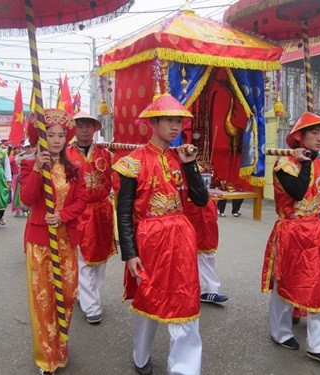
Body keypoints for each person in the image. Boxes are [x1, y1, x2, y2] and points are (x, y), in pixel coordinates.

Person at [113, 93, 209, 375]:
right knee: (149, 298)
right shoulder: (134, 161)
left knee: (186, 298)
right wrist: (129, 253)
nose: (176, 126)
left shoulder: (182, 157)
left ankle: (184, 369)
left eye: (179, 120)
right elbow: (125, 211)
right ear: (153, 123)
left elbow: (201, 200)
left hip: (181, 237)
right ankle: (140, 356)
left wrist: (190, 164)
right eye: (169, 119)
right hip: (150, 239)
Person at [261, 112, 320, 365]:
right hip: (292, 233)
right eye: (314, 133)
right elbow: (296, 193)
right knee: (286, 285)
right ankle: (280, 331)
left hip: (316, 234)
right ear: (300, 137)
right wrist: (305, 163)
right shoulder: (284, 165)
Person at [21, 108, 87, 375]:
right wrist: (38, 168)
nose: (57, 140)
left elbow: (82, 201)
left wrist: (62, 215)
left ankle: (61, 345)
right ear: (41, 137)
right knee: (44, 297)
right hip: (39, 241)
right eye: (51, 135)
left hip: (65, 239)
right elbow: (26, 199)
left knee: (68, 295)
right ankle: (47, 356)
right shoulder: (28, 165)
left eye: (61, 135)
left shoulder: (74, 169)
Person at [66, 110, 116, 324]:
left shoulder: (107, 153)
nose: (84, 130)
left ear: (95, 129)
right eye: (80, 126)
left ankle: (86, 293)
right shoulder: (65, 155)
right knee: (83, 258)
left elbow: (118, 181)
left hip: (103, 212)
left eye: (88, 126)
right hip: (79, 213)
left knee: (100, 259)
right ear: (73, 130)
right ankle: (92, 305)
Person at [184, 199, 228, 304]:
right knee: (198, 251)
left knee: (208, 250)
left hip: (207, 209)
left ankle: (205, 289)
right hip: (191, 210)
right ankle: (207, 290)